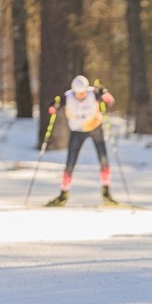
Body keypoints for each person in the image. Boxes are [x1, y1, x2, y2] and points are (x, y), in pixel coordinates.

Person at [46, 75, 118, 206]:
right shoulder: (67, 96)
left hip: (96, 129)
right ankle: (63, 194)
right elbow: (53, 108)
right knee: (70, 162)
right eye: (78, 94)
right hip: (77, 132)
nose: (81, 96)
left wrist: (105, 93)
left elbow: (110, 101)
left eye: (83, 93)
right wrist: (54, 106)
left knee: (103, 159)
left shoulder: (93, 93)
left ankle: (106, 192)